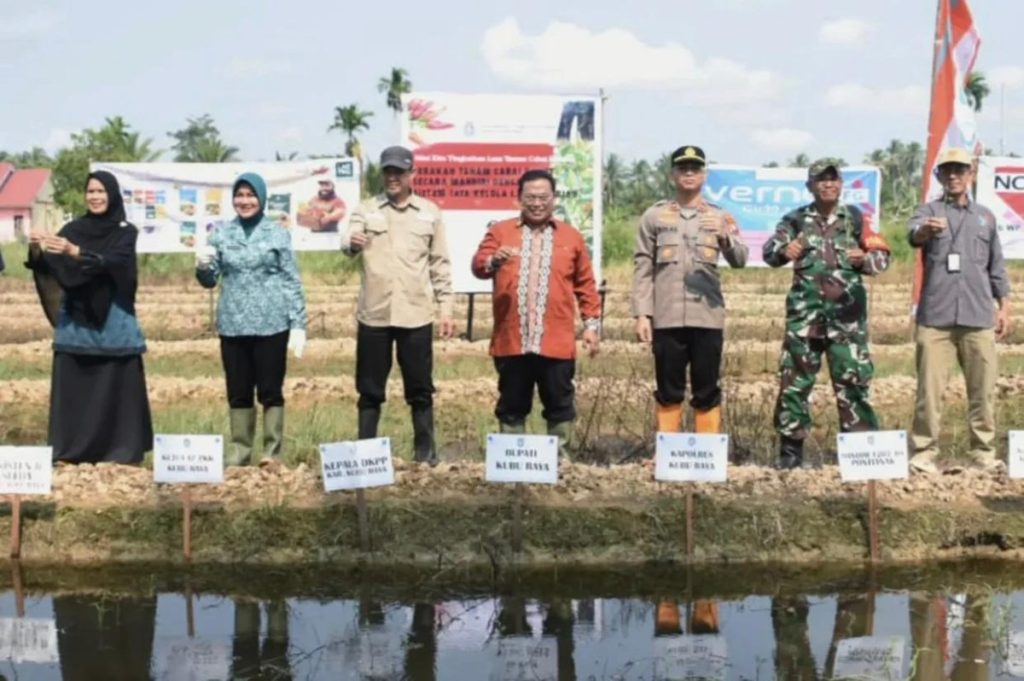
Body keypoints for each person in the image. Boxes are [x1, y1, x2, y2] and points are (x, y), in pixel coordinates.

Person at [763, 158, 890, 469]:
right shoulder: (794, 220)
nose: (828, 184)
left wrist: (864, 260)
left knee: (853, 385)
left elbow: (883, 258)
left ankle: (861, 458)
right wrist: (784, 251)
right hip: (805, 324)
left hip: (847, 324)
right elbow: (769, 252)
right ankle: (791, 459)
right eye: (821, 179)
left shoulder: (856, 219)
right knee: (794, 386)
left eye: (833, 179)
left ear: (841, 184)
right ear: (810, 186)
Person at [471, 169, 601, 459]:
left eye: (543, 197)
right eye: (530, 197)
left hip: (556, 341)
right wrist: (493, 260)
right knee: (512, 404)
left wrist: (592, 326)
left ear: (554, 199)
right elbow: (479, 265)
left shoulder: (571, 237)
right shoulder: (500, 232)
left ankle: (559, 464)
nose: (537, 203)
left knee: (559, 403)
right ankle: (511, 463)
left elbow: (586, 285)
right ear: (519, 199)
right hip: (512, 340)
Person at [25, 170, 153, 464]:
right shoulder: (73, 228)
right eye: (90, 191)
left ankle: (121, 452)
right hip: (77, 321)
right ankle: (71, 451)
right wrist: (37, 249)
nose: (95, 197)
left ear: (112, 195)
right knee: (75, 387)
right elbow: (53, 266)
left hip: (114, 319)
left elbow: (117, 264)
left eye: (101, 191)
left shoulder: (125, 231)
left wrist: (77, 252)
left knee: (118, 387)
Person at [343, 146, 454, 465]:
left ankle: (425, 454)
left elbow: (440, 263)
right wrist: (351, 242)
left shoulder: (430, 213)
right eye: (388, 172)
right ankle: (366, 455)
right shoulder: (366, 209)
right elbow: (348, 239)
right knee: (369, 389)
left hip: (416, 315)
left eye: (399, 172)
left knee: (420, 388)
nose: (393, 178)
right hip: (374, 315)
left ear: (411, 175)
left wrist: (446, 306)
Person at [631, 145, 747, 437]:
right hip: (666, 316)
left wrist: (724, 236)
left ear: (704, 175)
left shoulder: (721, 217)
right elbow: (643, 265)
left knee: (706, 387)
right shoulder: (654, 216)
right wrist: (642, 314)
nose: (689, 173)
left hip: (707, 317)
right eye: (683, 168)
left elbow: (740, 260)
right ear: (672, 175)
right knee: (668, 388)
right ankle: (669, 453)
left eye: (695, 168)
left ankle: (706, 454)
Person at [908, 147, 1011, 474]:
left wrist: (1004, 307)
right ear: (939, 175)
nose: (954, 175)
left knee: (983, 390)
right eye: (948, 170)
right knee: (929, 390)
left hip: (978, 316)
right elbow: (914, 235)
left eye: (960, 170)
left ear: (971, 175)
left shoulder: (986, 217)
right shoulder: (928, 211)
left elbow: (996, 266)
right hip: (936, 318)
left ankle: (982, 453)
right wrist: (925, 231)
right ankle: (924, 453)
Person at [196, 172, 307, 466]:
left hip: (272, 323)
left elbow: (291, 280)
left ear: (261, 198)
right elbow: (209, 280)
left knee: (270, 389)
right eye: (239, 195)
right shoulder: (221, 234)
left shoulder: (277, 234)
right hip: (233, 323)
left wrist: (298, 324)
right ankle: (240, 452)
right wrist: (203, 267)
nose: (244, 201)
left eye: (250, 195)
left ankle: (271, 453)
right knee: (238, 391)